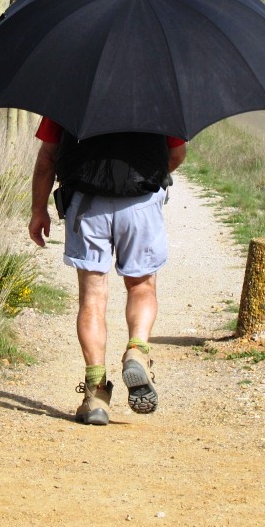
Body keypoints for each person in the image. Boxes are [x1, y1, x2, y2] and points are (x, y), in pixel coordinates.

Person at [29, 116, 186, 425]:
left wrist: (38, 210)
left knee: (92, 298)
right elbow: (177, 154)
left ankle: (95, 393)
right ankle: (137, 350)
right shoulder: (158, 100)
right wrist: (148, 177)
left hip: (87, 204)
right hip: (141, 203)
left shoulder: (69, 95)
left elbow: (47, 159)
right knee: (142, 286)